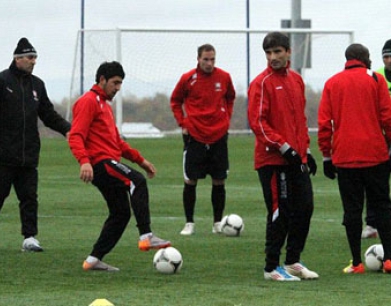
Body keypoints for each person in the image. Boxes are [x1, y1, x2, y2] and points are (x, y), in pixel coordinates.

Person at [69, 61, 171, 271]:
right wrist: (84, 161)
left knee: (121, 213)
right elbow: (76, 135)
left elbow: (117, 143)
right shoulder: (88, 101)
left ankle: (93, 260)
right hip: (100, 163)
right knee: (137, 181)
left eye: (120, 83)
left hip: (108, 162)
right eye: (115, 83)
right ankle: (146, 236)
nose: (117, 88)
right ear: (102, 80)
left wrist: (141, 161)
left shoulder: (104, 106)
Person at [0, 38, 71, 252]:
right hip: (3, 152)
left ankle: (29, 237)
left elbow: (48, 114)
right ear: (17, 59)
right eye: (30, 57)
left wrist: (68, 129)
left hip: (28, 152)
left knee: (29, 196)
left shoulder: (37, 85)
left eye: (35, 57)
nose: (33, 61)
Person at [247, 32, 318, 281]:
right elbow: (258, 122)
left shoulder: (296, 80)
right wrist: (284, 147)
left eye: (277, 52)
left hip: (295, 159)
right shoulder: (262, 83)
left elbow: (299, 120)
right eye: (268, 53)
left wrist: (305, 151)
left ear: (288, 52)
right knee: (280, 211)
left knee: (305, 207)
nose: (273, 57)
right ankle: (271, 267)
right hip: (273, 161)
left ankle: (292, 261)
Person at [318, 43, 391, 274]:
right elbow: (387, 117)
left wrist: (326, 156)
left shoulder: (332, 83)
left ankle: (356, 262)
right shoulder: (376, 81)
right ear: (366, 59)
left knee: (351, 210)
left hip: (345, 157)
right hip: (376, 155)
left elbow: (324, 124)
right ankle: (389, 260)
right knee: (382, 207)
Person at [170, 44, 236, 236]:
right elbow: (175, 101)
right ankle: (189, 222)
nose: (209, 63)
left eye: (212, 59)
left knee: (219, 180)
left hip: (218, 135)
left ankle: (217, 222)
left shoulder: (224, 77)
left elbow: (231, 97)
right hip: (195, 135)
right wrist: (182, 122)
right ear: (198, 59)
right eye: (206, 59)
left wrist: (226, 118)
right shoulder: (188, 78)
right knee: (190, 180)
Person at [361, 38, 391, 239]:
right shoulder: (375, 76)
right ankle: (372, 224)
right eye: (386, 57)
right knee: (377, 182)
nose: (389, 60)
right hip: (381, 138)